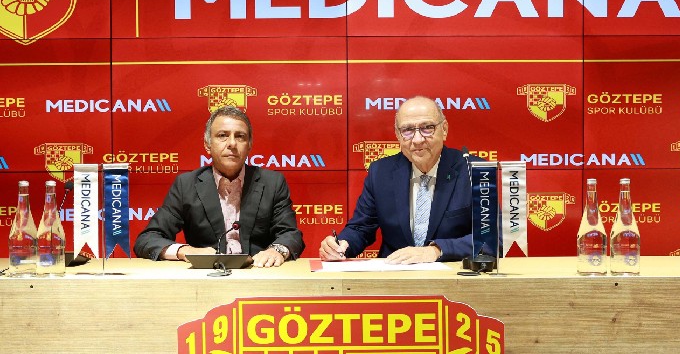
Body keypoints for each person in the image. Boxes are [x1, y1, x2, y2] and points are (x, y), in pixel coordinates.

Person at [134, 106, 304, 267]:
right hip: (206, 277)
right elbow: (148, 239)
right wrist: (186, 251)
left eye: (240, 136)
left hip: (258, 272)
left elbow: (290, 234)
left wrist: (277, 250)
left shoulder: (272, 183)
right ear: (207, 145)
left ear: (249, 145)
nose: (232, 143)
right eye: (222, 135)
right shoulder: (186, 185)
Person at [319, 96, 476, 264]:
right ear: (398, 135)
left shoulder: (473, 171)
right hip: (394, 274)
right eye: (407, 130)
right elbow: (361, 227)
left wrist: (436, 250)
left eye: (427, 128)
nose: (417, 139)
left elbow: (490, 238)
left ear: (444, 129)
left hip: (452, 275)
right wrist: (341, 245)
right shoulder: (380, 172)